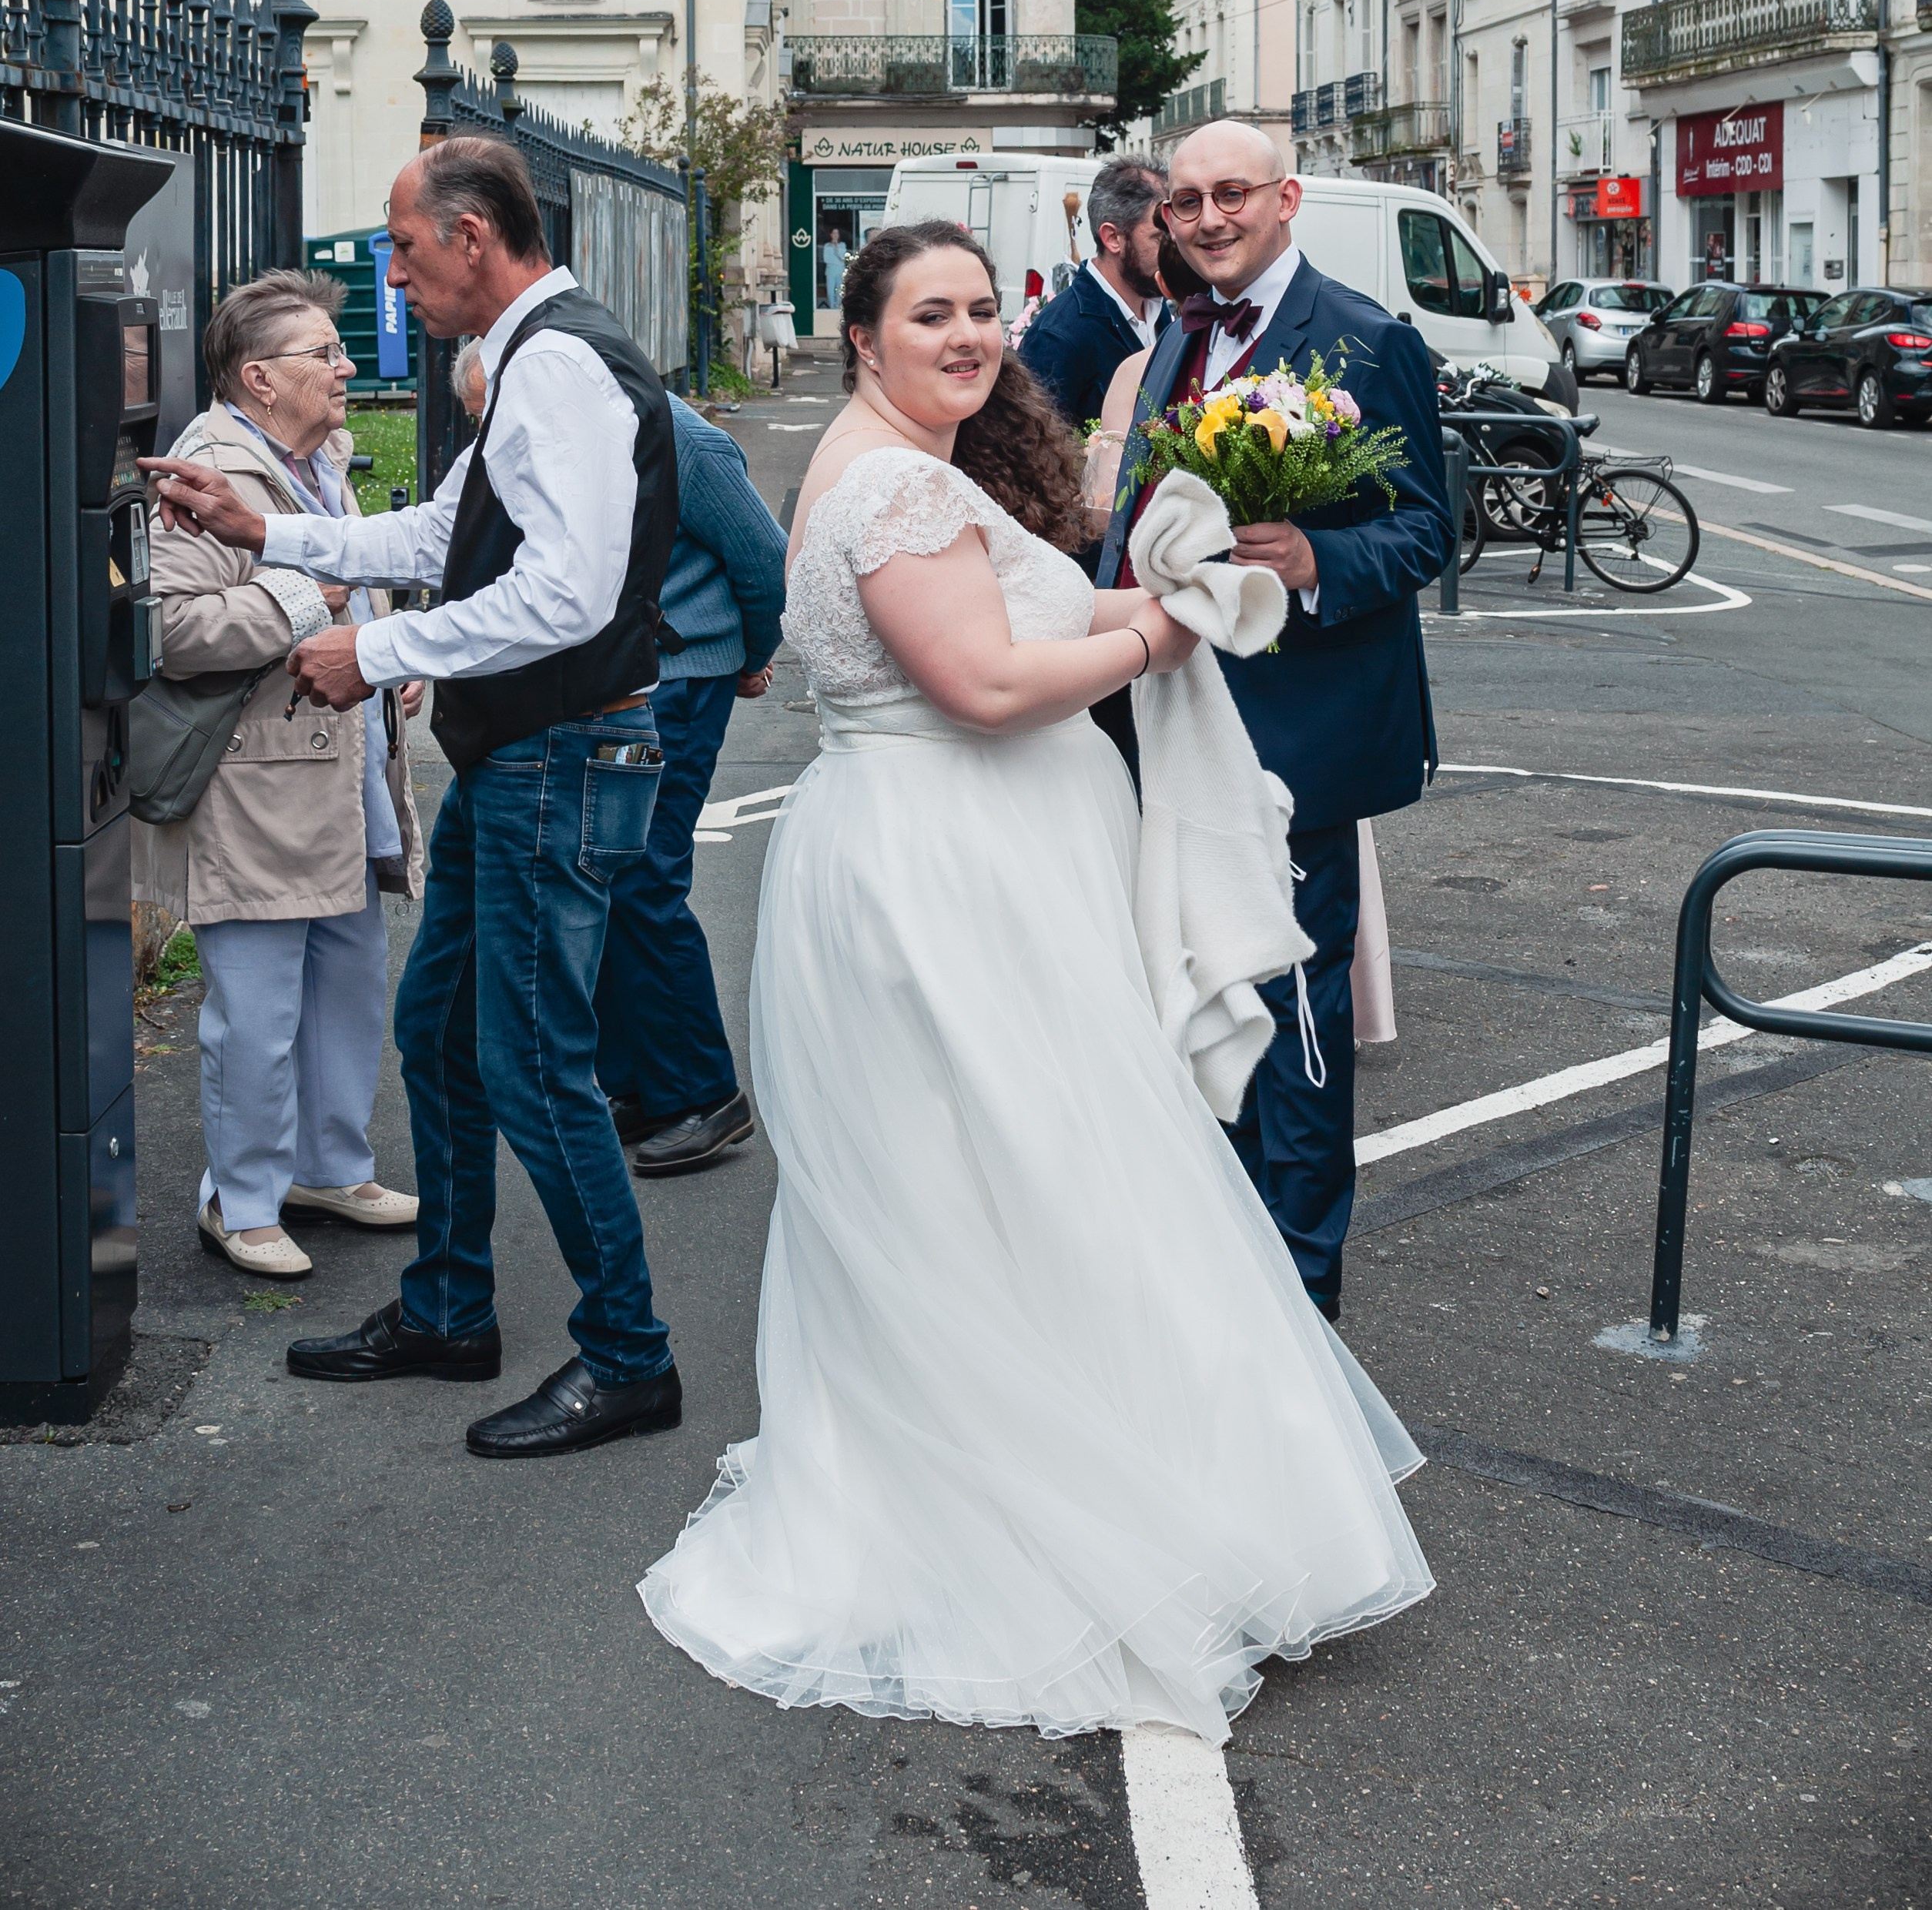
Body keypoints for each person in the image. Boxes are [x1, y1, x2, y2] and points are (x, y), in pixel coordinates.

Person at [640, 218, 1430, 1741]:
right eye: (929, 312)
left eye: (985, 308)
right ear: (859, 334)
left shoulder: (903, 467)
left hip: (958, 857)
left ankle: (1040, 1462)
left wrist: (1138, 606)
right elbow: (988, 685)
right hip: (948, 876)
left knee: (993, 1178)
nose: (968, 334)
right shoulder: (881, 485)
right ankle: (1044, 1511)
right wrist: (1154, 625)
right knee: (1018, 1174)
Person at [144, 137, 683, 1462]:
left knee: (535, 1067)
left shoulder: (553, 364)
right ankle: (449, 1308)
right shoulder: (527, 361)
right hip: (524, 759)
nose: (389, 273)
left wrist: (373, 649)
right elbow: (443, 538)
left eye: (400, 244)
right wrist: (262, 531)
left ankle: (628, 1354)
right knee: (440, 1038)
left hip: (562, 756)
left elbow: (565, 591)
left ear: (474, 238)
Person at [1095, 119, 1452, 1320]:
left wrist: (1311, 555)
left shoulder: (1363, 336)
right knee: (1203, 1014)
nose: (1204, 218)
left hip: (1301, 737)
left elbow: (1426, 530)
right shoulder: (1172, 337)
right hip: (1174, 728)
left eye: (1228, 193)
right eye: (1184, 201)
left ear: (1285, 198)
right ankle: (1224, 1291)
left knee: (1297, 1029)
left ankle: (1301, 1314)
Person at [137, 272, 424, 1278]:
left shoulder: (318, 457)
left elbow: (358, 582)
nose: (346, 366)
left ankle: (329, 1164)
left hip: (345, 770)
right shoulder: (202, 469)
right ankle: (242, 1195)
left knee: (349, 980)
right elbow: (174, 633)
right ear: (259, 376)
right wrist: (311, 598)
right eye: (323, 351)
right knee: (256, 1009)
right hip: (256, 782)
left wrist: (392, 648)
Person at [598, 393, 787, 1176]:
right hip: (624, 677)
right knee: (611, 875)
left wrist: (750, 652)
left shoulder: (679, 433)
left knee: (644, 878)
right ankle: (646, 1082)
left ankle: (705, 1096)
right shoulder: (569, 408)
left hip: (679, 678)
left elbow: (763, 558)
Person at [1018, 152, 1168, 430]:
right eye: (1160, 238)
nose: (1175, 250)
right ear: (1113, 238)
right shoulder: (1059, 336)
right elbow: (1034, 451)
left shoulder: (1160, 311)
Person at [820, 229, 849, 312]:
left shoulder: (842, 245)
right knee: (830, 291)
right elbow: (826, 259)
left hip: (840, 270)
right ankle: (832, 307)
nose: (835, 235)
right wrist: (837, 259)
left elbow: (842, 257)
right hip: (830, 270)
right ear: (831, 235)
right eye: (834, 233)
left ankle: (838, 308)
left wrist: (836, 248)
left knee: (839, 290)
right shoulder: (827, 246)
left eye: (837, 233)